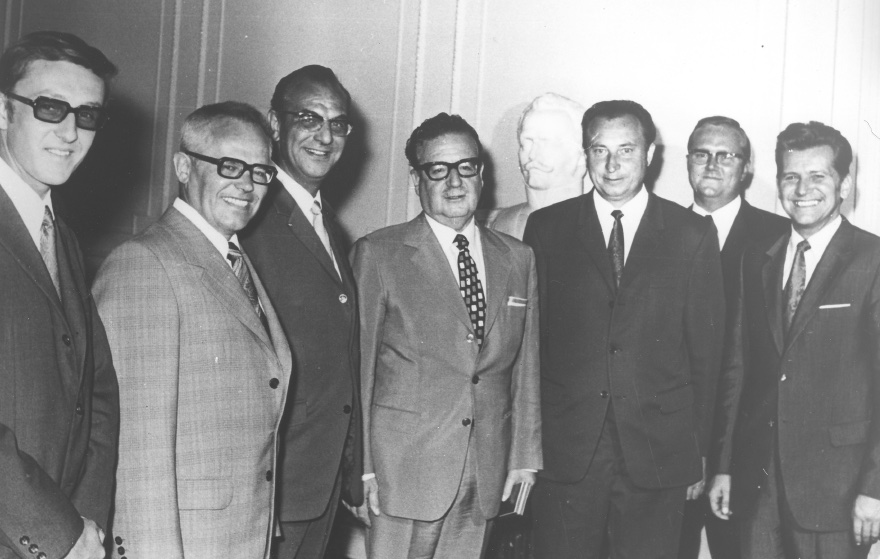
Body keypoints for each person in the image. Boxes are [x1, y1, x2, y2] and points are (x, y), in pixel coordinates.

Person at [524, 100, 725, 559]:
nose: (612, 165)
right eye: (600, 150)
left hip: (658, 451)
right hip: (568, 450)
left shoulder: (691, 233)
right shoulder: (547, 229)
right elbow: (532, 347)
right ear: (586, 153)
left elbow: (707, 355)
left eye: (627, 150)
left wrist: (699, 451)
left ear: (650, 154)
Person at [92, 102, 292, 559]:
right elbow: (137, 450)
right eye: (229, 166)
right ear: (184, 166)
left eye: (261, 171)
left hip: (239, 535)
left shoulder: (232, 259)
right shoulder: (145, 264)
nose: (246, 184)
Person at [352, 113, 542, 559]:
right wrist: (360, 471)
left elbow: (525, 368)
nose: (454, 181)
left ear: (482, 173)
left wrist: (524, 457)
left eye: (466, 167)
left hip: (485, 468)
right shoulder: (379, 254)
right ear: (417, 179)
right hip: (402, 470)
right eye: (438, 169)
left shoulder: (518, 258)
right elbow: (358, 371)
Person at [708, 121, 880, 559]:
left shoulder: (872, 260)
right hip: (757, 484)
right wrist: (724, 468)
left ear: (844, 185)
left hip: (837, 491)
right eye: (790, 176)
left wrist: (875, 489)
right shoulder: (757, 260)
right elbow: (737, 370)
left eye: (817, 176)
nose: (802, 189)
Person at [0, 31, 118, 559]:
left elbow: (96, 392)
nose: (70, 132)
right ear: (3, 112)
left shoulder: (62, 238)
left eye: (87, 115)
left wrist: (84, 521)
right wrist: (57, 534)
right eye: (50, 108)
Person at [240, 65, 363, 559]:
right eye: (308, 118)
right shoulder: (249, 213)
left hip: (321, 476)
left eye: (337, 123)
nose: (325, 135)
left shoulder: (330, 225)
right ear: (274, 122)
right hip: (273, 479)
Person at [678, 116, 788, 559]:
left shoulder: (778, 235)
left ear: (745, 168)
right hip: (672, 437)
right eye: (702, 154)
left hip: (745, 441)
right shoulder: (657, 232)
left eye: (726, 156)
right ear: (687, 162)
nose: (712, 164)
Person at [487, 92, 587, 239]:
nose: (532, 155)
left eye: (546, 142)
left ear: (581, 156)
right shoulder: (498, 224)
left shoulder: (604, 226)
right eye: (526, 142)